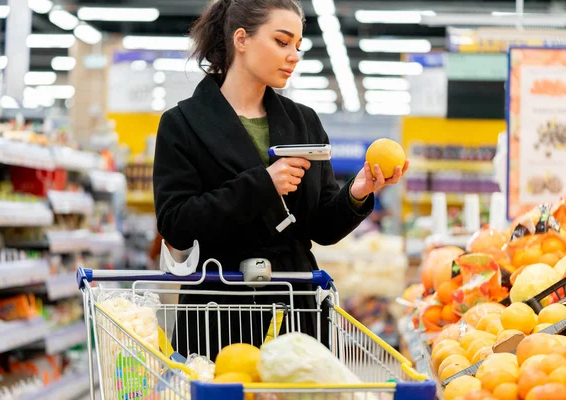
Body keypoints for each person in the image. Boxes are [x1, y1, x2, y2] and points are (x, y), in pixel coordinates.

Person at [152, 0, 409, 360]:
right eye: (282, 41)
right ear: (241, 39)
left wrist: (358, 191)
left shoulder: (303, 121)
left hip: (295, 306)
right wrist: (262, 185)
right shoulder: (182, 124)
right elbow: (176, 223)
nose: (294, 56)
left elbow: (321, 226)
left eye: (298, 46)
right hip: (219, 309)